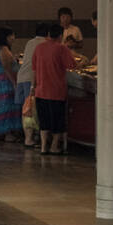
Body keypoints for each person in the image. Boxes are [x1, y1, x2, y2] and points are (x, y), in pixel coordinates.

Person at [32, 24, 77, 155]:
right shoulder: (61, 48)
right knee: (58, 121)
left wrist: (33, 87)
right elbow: (72, 65)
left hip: (40, 91)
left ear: (48, 34)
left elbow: (34, 69)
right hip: (56, 91)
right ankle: (54, 146)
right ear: (60, 36)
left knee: (44, 120)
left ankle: (43, 147)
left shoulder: (39, 48)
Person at [17, 23, 48, 147]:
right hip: (32, 79)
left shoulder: (30, 42)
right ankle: (30, 139)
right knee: (32, 109)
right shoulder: (45, 44)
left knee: (26, 108)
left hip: (22, 77)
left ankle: (27, 138)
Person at [0, 27, 21, 142]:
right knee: (7, 107)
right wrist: (14, 83)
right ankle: (8, 133)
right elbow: (7, 68)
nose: (14, 38)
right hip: (4, 85)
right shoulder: (4, 49)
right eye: (12, 35)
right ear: (6, 37)